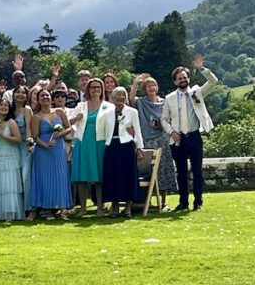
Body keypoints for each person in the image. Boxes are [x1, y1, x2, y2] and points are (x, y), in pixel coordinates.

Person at [161, 55, 218, 211]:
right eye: (179, 78)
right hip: (178, 139)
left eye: (185, 77)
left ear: (189, 78)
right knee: (181, 173)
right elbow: (164, 120)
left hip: (194, 136)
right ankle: (183, 202)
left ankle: (198, 201)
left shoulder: (197, 92)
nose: (183, 80)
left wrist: (201, 69)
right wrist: (171, 132)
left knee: (197, 171)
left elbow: (213, 82)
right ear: (175, 81)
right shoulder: (169, 98)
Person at [129, 73, 177, 211]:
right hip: (146, 140)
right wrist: (136, 83)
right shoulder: (141, 102)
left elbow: (169, 119)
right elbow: (131, 99)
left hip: (162, 139)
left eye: (154, 85)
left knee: (164, 169)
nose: (152, 88)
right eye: (149, 86)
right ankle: (146, 200)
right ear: (144, 89)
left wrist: (160, 125)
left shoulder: (163, 102)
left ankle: (164, 201)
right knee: (146, 170)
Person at [69, 77, 113, 216]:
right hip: (83, 142)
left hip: (100, 143)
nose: (95, 90)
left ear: (102, 90)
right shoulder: (81, 106)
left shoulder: (109, 106)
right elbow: (67, 122)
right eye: (93, 87)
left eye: (98, 87)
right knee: (82, 177)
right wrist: (76, 118)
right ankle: (83, 208)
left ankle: (100, 207)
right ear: (88, 89)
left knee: (99, 176)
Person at [28, 90, 73, 220]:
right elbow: (35, 136)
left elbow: (69, 128)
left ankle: (59, 207)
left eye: (47, 95)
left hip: (58, 149)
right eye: (42, 96)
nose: (45, 97)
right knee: (45, 178)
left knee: (59, 176)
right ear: (38, 99)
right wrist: (45, 145)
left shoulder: (59, 112)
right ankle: (46, 209)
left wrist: (60, 134)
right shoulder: (37, 117)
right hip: (43, 152)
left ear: (51, 98)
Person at [100, 87, 143, 217]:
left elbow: (138, 131)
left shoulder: (132, 112)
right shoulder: (106, 113)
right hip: (111, 146)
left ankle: (128, 207)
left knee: (128, 176)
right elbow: (102, 132)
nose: (121, 97)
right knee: (112, 176)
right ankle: (115, 206)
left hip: (127, 146)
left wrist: (139, 148)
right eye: (118, 95)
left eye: (123, 95)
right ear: (112, 98)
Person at [0, 97, 23, 220]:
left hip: (10, 153)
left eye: (6, 106)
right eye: (1, 105)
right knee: (0, 184)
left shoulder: (11, 122)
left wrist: (2, 134)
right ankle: (0, 212)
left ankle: (11, 212)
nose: (4, 107)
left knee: (10, 184)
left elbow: (18, 139)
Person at [11, 85, 34, 214]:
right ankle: (17, 207)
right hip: (12, 146)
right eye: (17, 92)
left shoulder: (27, 110)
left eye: (23, 93)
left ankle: (29, 207)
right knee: (15, 177)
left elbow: (29, 129)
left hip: (25, 145)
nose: (20, 95)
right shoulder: (9, 109)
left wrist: (30, 144)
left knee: (25, 176)